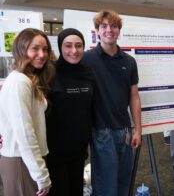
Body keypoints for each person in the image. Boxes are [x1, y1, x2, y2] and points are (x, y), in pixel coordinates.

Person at [82, 10, 142, 196]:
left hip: (124, 130)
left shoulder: (129, 62)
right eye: (104, 26)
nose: (109, 30)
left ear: (118, 30)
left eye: (114, 26)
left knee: (124, 180)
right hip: (101, 132)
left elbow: (134, 96)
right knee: (105, 184)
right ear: (97, 31)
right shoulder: (85, 59)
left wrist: (138, 129)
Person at [0, 28, 55, 196]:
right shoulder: (19, 81)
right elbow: (25, 132)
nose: (42, 54)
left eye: (45, 49)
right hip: (22, 161)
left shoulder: (26, 79)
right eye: (35, 48)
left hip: (26, 159)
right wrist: (41, 175)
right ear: (21, 49)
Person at [45, 28, 96, 196]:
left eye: (78, 45)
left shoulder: (88, 73)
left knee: (76, 191)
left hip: (79, 150)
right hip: (53, 152)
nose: (74, 51)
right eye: (68, 45)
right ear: (60, 47)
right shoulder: (49, 72)